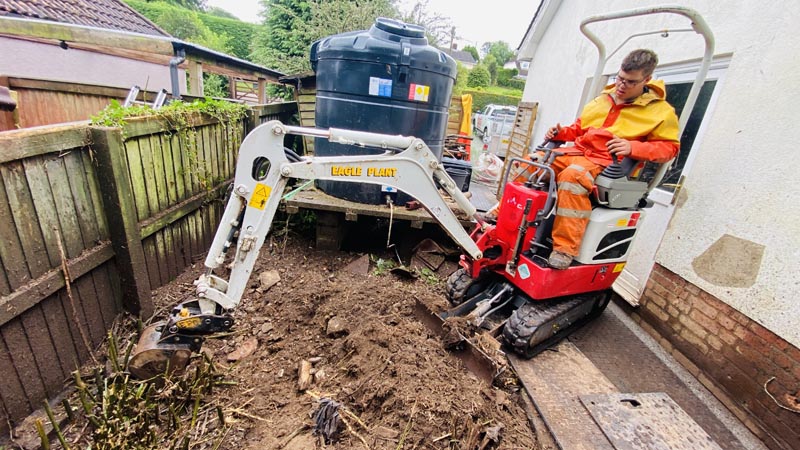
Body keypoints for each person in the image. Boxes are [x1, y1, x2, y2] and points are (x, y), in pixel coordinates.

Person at [488, 49, 680, 269]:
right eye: (619, 78)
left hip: (608, 164)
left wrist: (632, 146)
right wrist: (560, 134)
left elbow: (669, 149)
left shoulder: (659, 112)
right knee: (529, 163)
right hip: (577, 153)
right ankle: (503, 215)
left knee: (573, 177)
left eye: (630, 82)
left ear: (646, 80)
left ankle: (564, 248)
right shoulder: (603, 99)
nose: (621, 85)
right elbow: (579, 129)